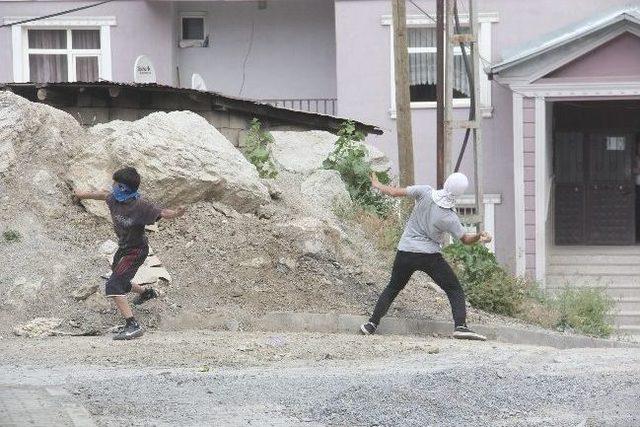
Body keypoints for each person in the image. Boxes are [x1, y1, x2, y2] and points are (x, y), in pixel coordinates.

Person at [360, 172, 492, 341]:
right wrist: (479, 236)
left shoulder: (424, 191)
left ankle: (371, 324)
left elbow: (394, 192)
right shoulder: (449, 217)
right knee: (454, 289)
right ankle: (460, 326)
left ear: (445, 183)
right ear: (459, 194)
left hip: (406, 251)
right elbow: (465, 240)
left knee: (393, 287)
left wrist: (377, 185)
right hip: (429, 257)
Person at [73, 167, 186, 340]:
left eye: (116, 184)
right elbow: (100, 195)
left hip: (136, 250)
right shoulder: (113, 199)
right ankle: (146, 293)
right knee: (121, 281)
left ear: (123, 188)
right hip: (124, 248)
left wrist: (177, 213)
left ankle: (133, 325)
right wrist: (80, 195)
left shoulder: (141, 206)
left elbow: (162, 212)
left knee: (114, 285)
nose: (113, 186)